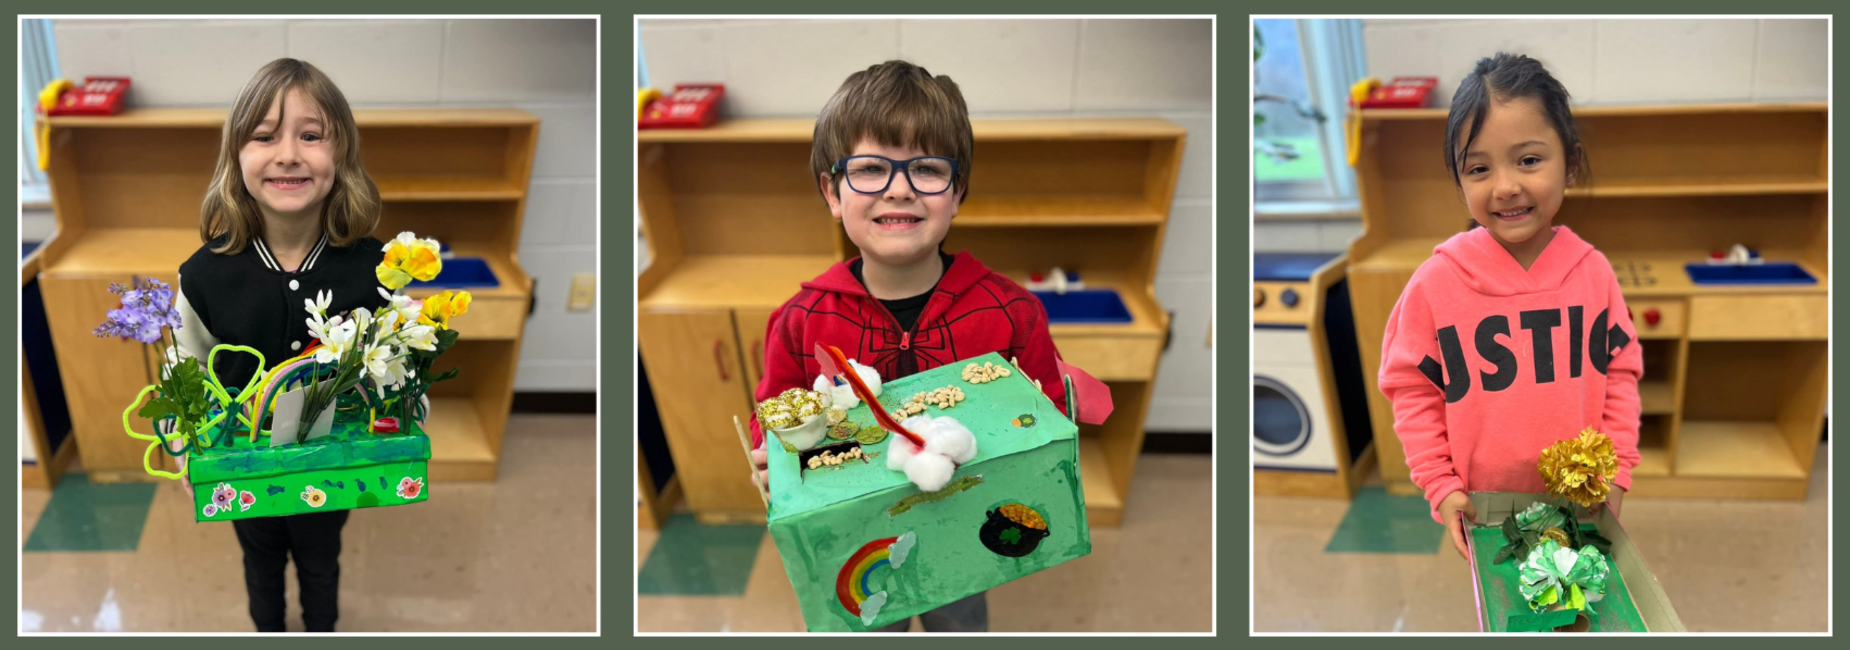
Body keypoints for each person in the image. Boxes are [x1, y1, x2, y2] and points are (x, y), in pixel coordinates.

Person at [745, 60, 1071, 632]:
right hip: (856, 533)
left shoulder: (1012, 313)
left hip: (967, 523)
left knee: (960, 616)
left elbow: (1049, 411)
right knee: (870, 615)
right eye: (871, 168)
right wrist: (769, 459)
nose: (899, 188)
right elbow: (773, 415)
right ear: (832, 191)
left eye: (926, 168)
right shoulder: (800, 321)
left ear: (957, 191)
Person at [1377, 53, 1643, 560]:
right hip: (1486, 512)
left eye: (1528, 160)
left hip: (1581, 504)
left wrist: (1618, 470)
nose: (1505, 187)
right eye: (1478, 168)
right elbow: (1412, 390)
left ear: (1571, 164)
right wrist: (1439, 484)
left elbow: (1620, 376)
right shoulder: (1435, 283)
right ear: (1460, 183)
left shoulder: (1593, 273)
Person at [171, 58, 390, 632]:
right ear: (235, 155)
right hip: (244, 465)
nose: (288, 154)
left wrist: (404, 413)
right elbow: (184, 367)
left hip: (330, 463)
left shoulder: (377, 269)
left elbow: (395, 368)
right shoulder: (204, 276)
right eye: (264, 136)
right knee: (261, 563)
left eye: (311, 136)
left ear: (341, 153)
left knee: (321, 562)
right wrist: (185, 446)